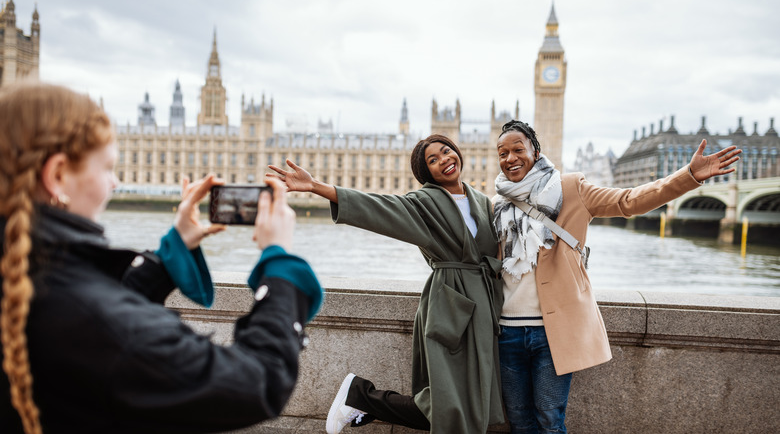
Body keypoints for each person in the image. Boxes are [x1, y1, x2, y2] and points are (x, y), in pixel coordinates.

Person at [0, 82, 323, 434]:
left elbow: (94, 309)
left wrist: (170, 255)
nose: (116, 183)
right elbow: (256, 383)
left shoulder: (32, 276)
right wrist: (280, 264)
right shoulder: (91, 318)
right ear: (58, 175)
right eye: (108, 168)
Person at [491, 120, 741, 433]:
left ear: (536, 152)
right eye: (502, 152)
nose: (510, 157)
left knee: (549, 420)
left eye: (518, 149)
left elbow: (629, 201)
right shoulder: (496, 205)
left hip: (552, 331)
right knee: (517, 421)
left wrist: (687, 177)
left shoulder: (570, 189)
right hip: (507, 332)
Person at [267, 134, 505, 433]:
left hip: (483, 309)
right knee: (449, 402)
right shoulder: (425, 203)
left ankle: (361, 400)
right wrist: (316, 187)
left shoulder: (483, 201)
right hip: (450, 305)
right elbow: (378, 207)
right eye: (433, 160)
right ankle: (361, 397)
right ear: (425, 173)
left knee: (476, 402)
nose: (444, 160)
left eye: (446, 151)